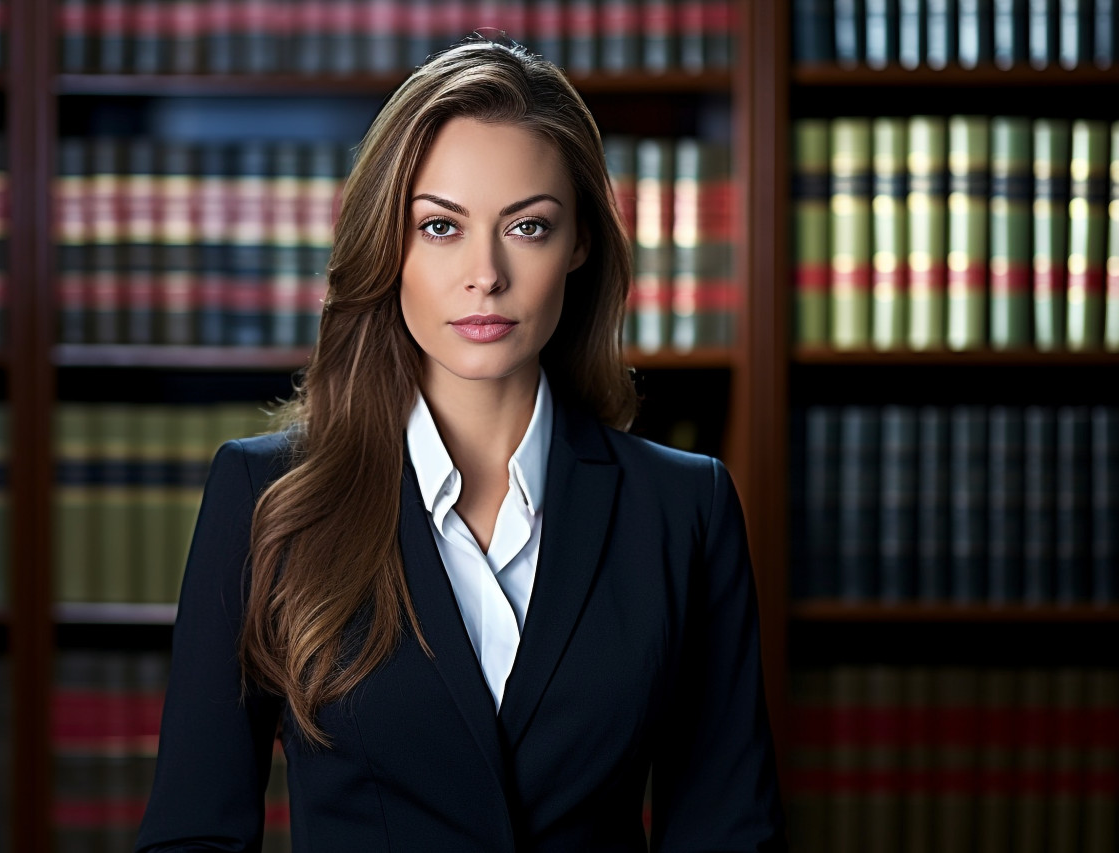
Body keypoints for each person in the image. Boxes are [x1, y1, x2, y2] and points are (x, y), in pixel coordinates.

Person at [134, 35, 786, 853]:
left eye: (528, 227)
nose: (486, 273)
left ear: (579, 242)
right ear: (389, 245)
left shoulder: (685, 508)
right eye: (440, 226)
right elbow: (193, 836)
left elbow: (727, 834)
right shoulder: (265, 499)